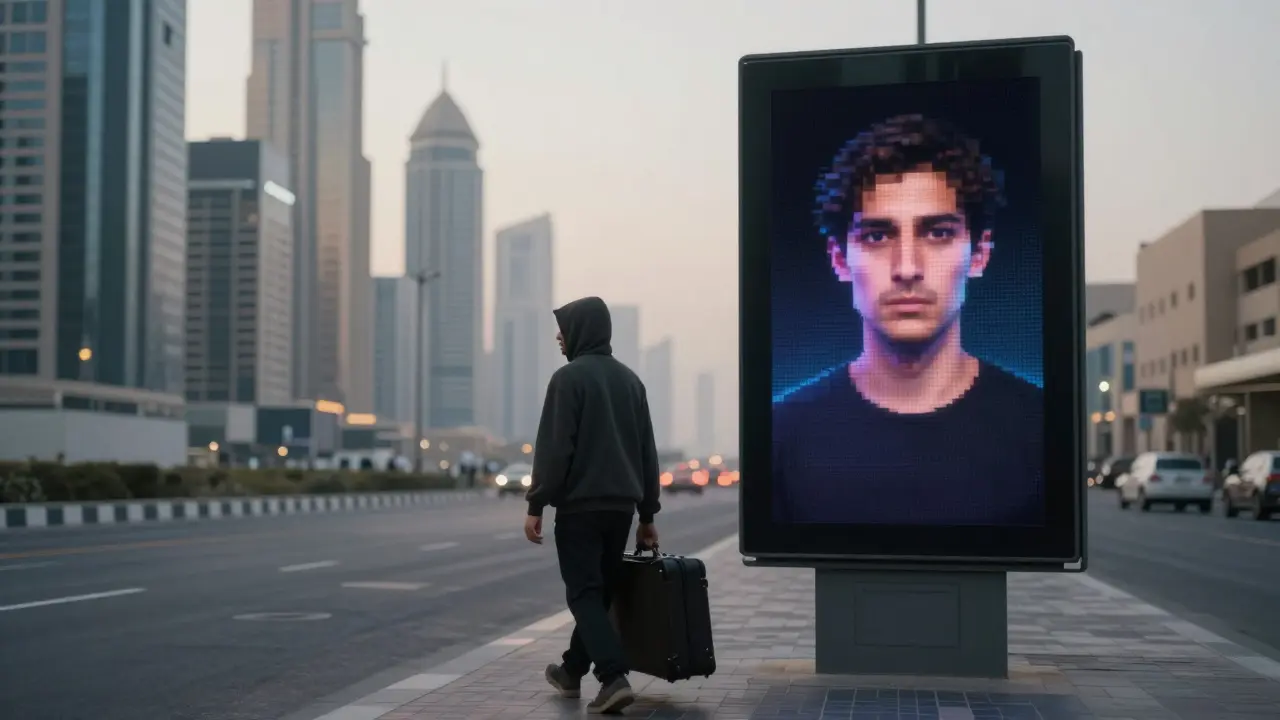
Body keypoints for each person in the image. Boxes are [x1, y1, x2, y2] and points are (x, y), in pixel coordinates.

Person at [772, 113, 1044, 526]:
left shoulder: (1042, 427)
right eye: (878, 236)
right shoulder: (780, 433)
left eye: (937, 233)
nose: (907, 268)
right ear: (840, 259)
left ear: (980, 253)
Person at [523, 295, 662, 714]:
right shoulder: (631, 382)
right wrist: (647, 515)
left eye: (564, 330)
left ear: (581, 331)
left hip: (580, 509)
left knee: (583, 593)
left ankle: (612, 677)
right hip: (620, 510)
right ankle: (570, 671)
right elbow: (646, 453)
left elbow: (554, 449)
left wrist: (537, 503)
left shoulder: (568, 380)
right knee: (597, 594)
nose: (559, 339)